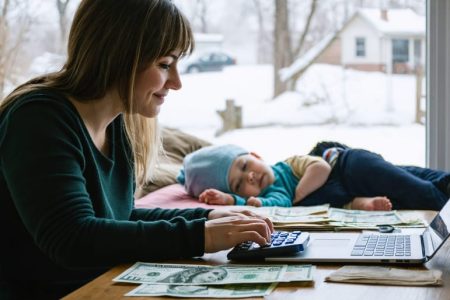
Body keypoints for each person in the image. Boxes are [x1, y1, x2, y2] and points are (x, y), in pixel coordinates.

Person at [0, 1, 273, 299]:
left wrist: (208, 218)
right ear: (119, 54)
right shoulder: (38, 118)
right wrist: (201, 236)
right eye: (165, 65)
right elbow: (72, 238)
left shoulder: (116, 126)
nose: (177, 83)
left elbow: (120, 219)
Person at [177, 144, 450, 211]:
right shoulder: (274, 196)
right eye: (238, 184)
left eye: (245, 164)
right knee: (415, 196)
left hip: (352, 166)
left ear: (255, 154)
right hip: (349, 194)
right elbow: (276, 206)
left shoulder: (288, 166)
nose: (250, 175)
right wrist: (233, 201)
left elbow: (320, 168)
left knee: (425, 190)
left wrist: (298, 199)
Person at [159, 266, 228, 284]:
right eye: (215, 273)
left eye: (219, 278)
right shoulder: (179, 276)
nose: (215, 278)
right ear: (205, 271)